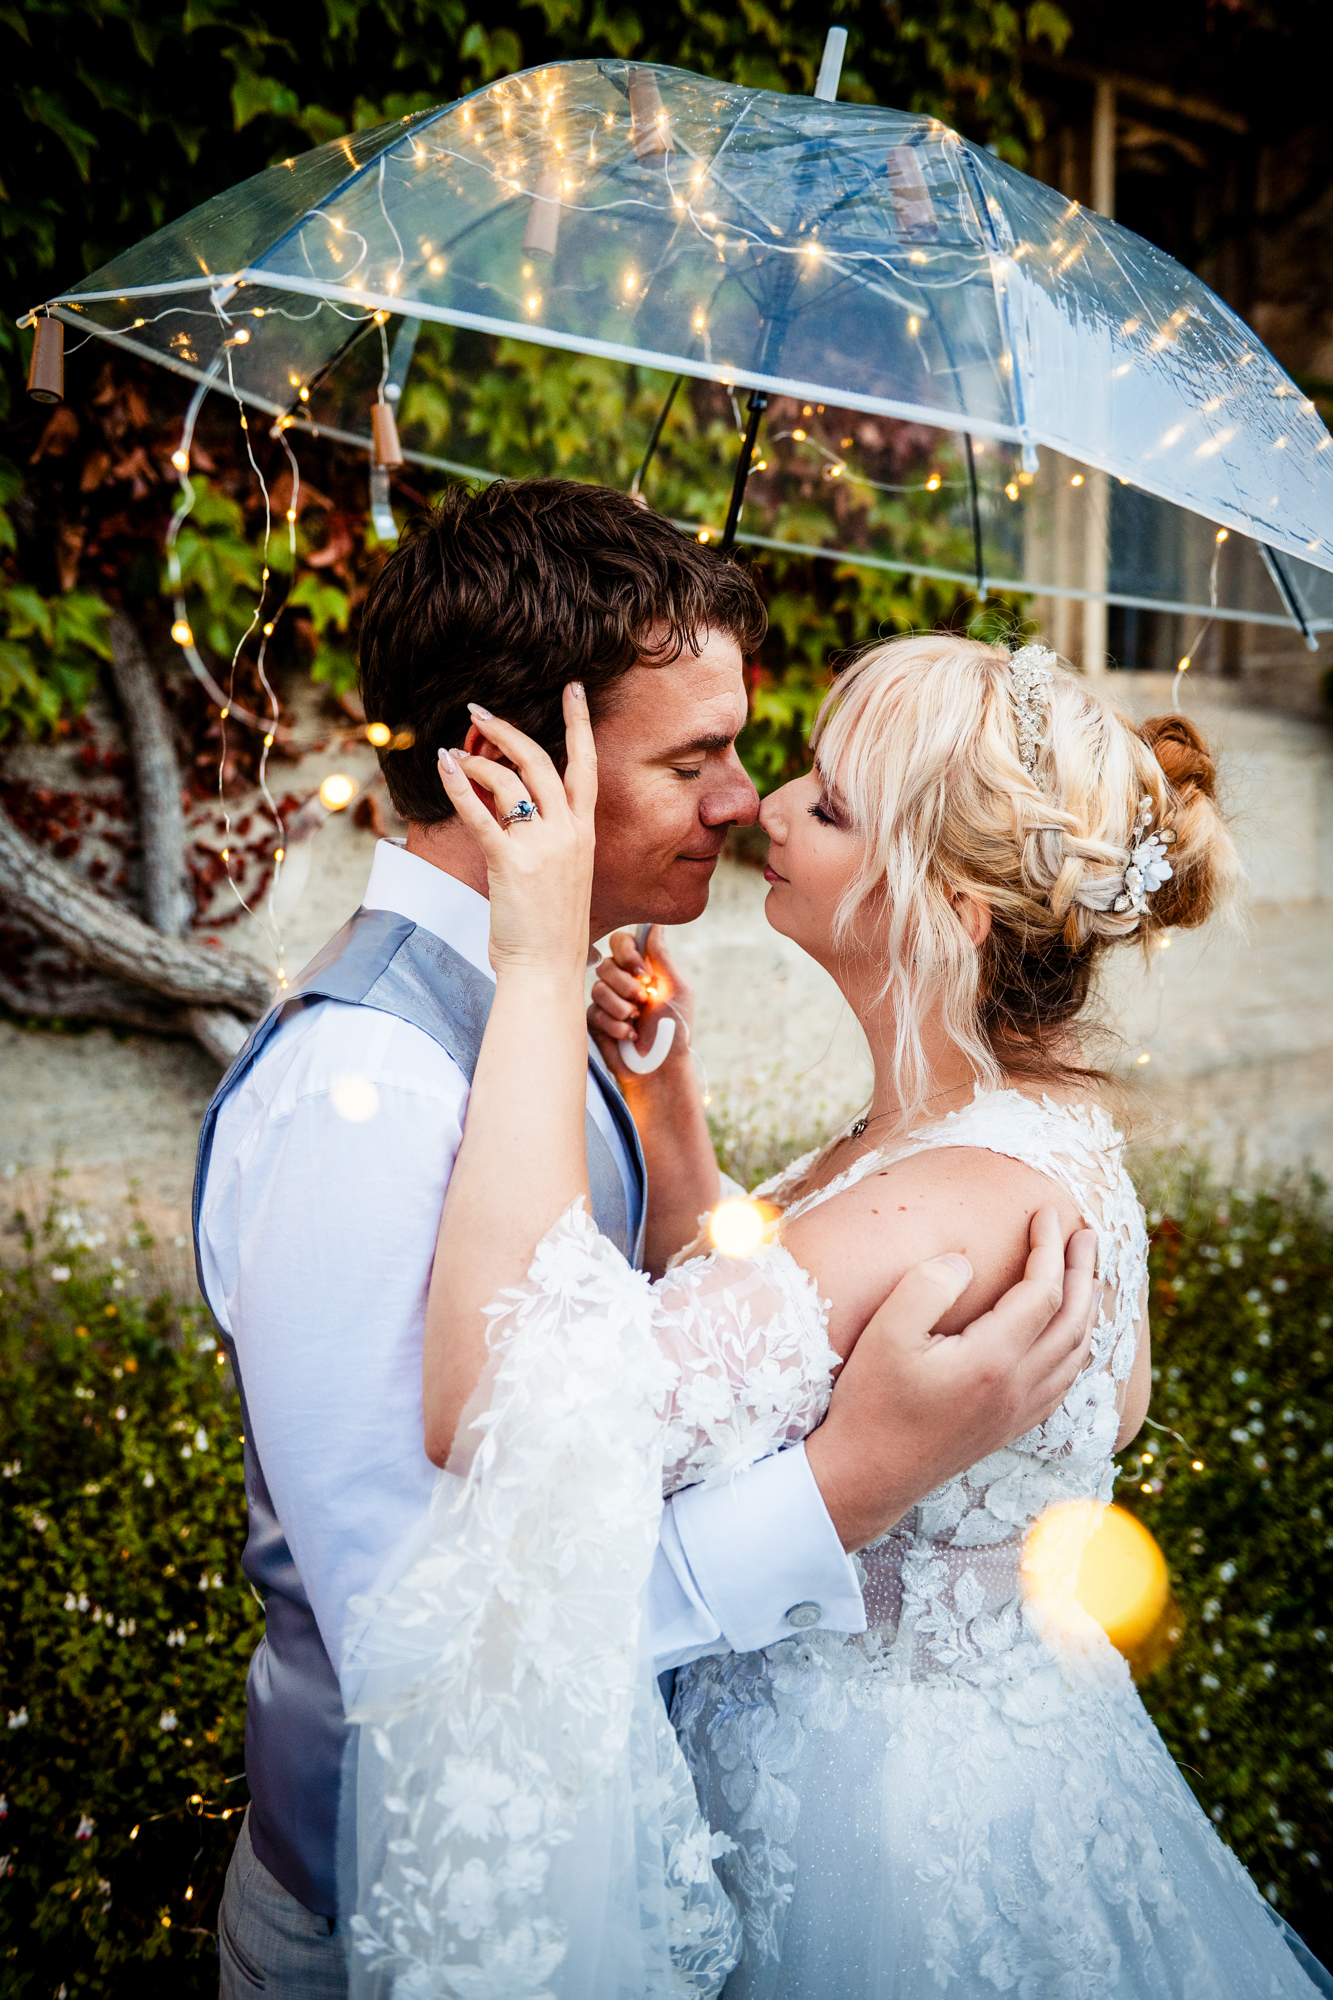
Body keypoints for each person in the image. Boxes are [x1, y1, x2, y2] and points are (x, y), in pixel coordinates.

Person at [195, 484, 1097, 1997]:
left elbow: (643, 1376)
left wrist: (667, 1133)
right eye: (696, 759)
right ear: (507, 771)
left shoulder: (543, 1024)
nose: (742, 803)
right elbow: (432, 1636)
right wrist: (846, 1483)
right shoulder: (364, 1093)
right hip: (390, 1920)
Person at [353, 628, 1327, 1998]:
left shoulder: (946, 1196)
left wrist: (529, 964)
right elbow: (836, 1332)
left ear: (950, 910)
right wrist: (669, 1114)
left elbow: (506, 1411)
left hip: (879, 1835)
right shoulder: (1012, 1134)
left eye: (830, 800)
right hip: (1018, 1757)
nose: (765, 807)